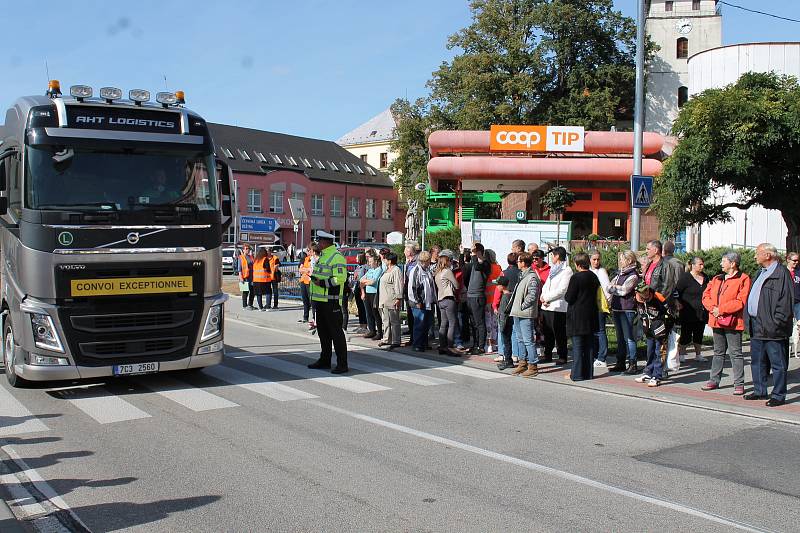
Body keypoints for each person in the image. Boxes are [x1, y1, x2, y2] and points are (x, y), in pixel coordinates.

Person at [744, 243, 793, 406]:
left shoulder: (781, 274)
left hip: (773, 327)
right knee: (757, 361)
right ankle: (760, 391)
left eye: (757, 253)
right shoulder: (760, 273)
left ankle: (778, 395)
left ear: (767, 255)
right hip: (756, 324)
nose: (755, 256)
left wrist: (776, 323)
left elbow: (786, 304)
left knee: (777, 363)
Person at [701, 251, 751, 394]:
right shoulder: (717, 278)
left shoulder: (743, 278)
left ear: (732, 263)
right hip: (716, 321)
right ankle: (714, 380)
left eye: (723, 261)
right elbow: (706, 295)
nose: (721, 264)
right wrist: (713, 309)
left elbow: (741, 301)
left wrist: (721, 310)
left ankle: (739, 384)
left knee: (735, 353)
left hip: (733, 322)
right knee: (718, 352)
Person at [307, 230, 349, 374]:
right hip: (320, 301)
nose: (318, 244)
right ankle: (325, 360)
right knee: (323, 333)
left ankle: (342, 364)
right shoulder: (324, 256)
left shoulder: (336, 257)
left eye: (319, 241)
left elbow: (341, 278)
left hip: (331, 302)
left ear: (325, 242)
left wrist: (323, 283)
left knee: (336, 334)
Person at [565, 252, 600, 381]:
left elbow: (569, 297)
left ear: (577, 264)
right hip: (591, 314)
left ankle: (577, 374)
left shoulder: (576, 278)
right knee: (589, 346)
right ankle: (588, 373)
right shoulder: (593, 276)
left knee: (578, 346)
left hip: (577, 315)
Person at [508, 253, 542, 377]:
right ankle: (523, 363)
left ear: (523, 263)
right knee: (520, 339)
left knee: (528, 340)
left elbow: (532, 295)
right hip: (518, 312)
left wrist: (522, 306)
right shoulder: (522, 276)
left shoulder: (531, 277)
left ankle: (533, 365)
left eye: (519, 261)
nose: (517, 263)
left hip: (525, 313)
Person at [633, 282, 673, 387]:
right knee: (650, 351)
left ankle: (657, 376)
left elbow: (669, 312)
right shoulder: (637, 299)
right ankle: (648, 372)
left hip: (660, 329)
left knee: (659, 352)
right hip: (648, 329)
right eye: (643, 292)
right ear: (638, 293)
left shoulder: (657, 296)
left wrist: (666, 326)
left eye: (646, 290)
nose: (646, 293)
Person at [607, 250, 641, 374]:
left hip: (628, 309)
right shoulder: (619, 274)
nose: (620, 262)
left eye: (622, 259)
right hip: (617, 308)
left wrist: (613, 288)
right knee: (620, 337)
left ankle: (633, 364)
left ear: (629, 261)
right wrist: (613, 288)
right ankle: (620, 362)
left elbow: (624, 291)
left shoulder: (633, 275)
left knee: (629, 338)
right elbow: (609, 287)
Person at [540, 246, 572, 364]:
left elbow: (562, 289)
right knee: (547, 331)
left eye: (553, 255)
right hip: (546, 305)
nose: (551, 257)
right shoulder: (553, 269)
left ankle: (562, 355)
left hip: (558, 306)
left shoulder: (567, 270)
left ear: (557, 256)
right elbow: (546, 285)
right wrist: (543, 297)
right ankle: (547, 354)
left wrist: (548, 298)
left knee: (559, 333)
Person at [676, 257, 709, 362]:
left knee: (699, 333)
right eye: (700, 264)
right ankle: (681, 354)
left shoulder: (705, 277)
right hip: (688, 311)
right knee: (686, 333)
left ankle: (698, 354)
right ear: (693, 265)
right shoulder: (685, 277)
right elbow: (676, 292)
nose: (702, 266)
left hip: (702, 311)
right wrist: (677, 302)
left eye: (702, 264)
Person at [464, 242, 491, 355]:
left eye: (473, 251)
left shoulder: (485, 263)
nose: (471, 253)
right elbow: (464, 268)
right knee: (473, 323)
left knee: (479, 323)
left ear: (478, 251)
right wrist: (462, 254)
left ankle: (481, 346)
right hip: (470, 296)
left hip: (478, 296)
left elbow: (478, 266)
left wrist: (475, 255)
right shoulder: (473, 262)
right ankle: (474, 344)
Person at [408, 251, 436, 352]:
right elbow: (413, 288)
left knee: (426, 324)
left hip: (428, 302)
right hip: (419, 303)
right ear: (424, 261)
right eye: (428, 261)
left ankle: (424, 343)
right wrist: (417, 301)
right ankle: (417, 344)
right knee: (419, 324)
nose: (429, 262)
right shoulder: (416, 270)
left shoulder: (427, 270)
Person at [435, 251, 460, 356]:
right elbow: (457, 285)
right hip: (448, 298)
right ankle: (450, 346)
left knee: (443, 324)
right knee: (452, 322)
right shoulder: (447, 271)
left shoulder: (437, 273)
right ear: (446, 262)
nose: (451, 262)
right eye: (450, 261)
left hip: (440, 300)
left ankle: (442, 346)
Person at [589, 252, 611, 368]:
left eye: (598, 259)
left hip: (600, 305)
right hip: (590, 305)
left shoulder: (601, 272)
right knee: (593, 331)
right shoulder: (589, 271)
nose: (596, 262)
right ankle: (595, 355)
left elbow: (607, 289)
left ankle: (602, 357)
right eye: (594, 259)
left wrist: (608, 303)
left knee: (600, 331)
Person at [378, 252, 404, 350]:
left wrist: (398, 298)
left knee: (394, 321)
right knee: (386, 321)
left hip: (392, 299)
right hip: (384, 300)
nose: (384, 261)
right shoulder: (387, 270)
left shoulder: (396, 270)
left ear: (389, 261)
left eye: (385, 259)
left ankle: (396, 340)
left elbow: (398, 284)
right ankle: (386, 339)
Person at [360, 253, 384, 339]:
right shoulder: (370, 271)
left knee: (375, 313)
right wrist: (364, 287)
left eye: (371, 262)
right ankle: (372, 330)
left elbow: (373, 282)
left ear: (376, 262)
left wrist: (365, 282)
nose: (369, 263)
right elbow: (361, 280)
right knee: (369, 313)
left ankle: (380, 332)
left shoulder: (379, 270)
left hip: (374, 293)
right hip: (367, 293)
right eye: (368, 261)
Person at [484, 249, 503, 354]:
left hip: (486, 299)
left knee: (487, 323)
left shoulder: (485, 268)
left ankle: (489, 344)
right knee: (495, 323)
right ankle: (495, 344)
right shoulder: (498, 268)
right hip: (496, 298)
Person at [493, 275, 514, 366]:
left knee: (506, 342)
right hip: (509, 321)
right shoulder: (510, 294)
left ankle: (508, 360)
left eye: (498, 285)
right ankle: (508, 359)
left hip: (505, 323)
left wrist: (501, 325)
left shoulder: (505, 297)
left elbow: (503, 313)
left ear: (502, 286)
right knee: (507, 341)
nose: (496, 287)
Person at [403, 242, 419, 346]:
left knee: (415, 317)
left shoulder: (415, 262)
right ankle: (412, 337)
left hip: (414, 293)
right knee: (410, 316)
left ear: (409, 252)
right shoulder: (408, 262)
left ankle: (415, 339)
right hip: (408, 293)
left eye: (405, 250)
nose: (404, 252)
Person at [352, 253, 369, 334]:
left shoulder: (366, 267)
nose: (356, 259)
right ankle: (361, 324)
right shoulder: (358, 267)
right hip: (357, 286)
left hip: (362, 287)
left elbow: (364, 277)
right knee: (359, 307)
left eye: (357, 257)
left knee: (363, 307)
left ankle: (365, 325)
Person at [297, 244, 314, 323]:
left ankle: (314, 318)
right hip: (303, 281)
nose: (307, 252)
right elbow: (300, 270)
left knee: (312, 301)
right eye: (307, 250)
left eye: (308, 250)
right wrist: (306, 269)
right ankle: (305, 317)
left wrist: (305, 269)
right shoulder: (304, 258)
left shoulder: (314, 259)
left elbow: (311, 270)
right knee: (305, 300)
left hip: (310, 282)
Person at [238, 244, 255, 310]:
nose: (248, 250)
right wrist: (241, 278)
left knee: (252, 291)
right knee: (245, 292)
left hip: (252, 277)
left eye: (248, 249)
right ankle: (244, 306)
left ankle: (250, 305)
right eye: (246, 248)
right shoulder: (241, 257)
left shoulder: (251, 257)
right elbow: (239, 269)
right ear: (243, 250)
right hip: (245, 277)